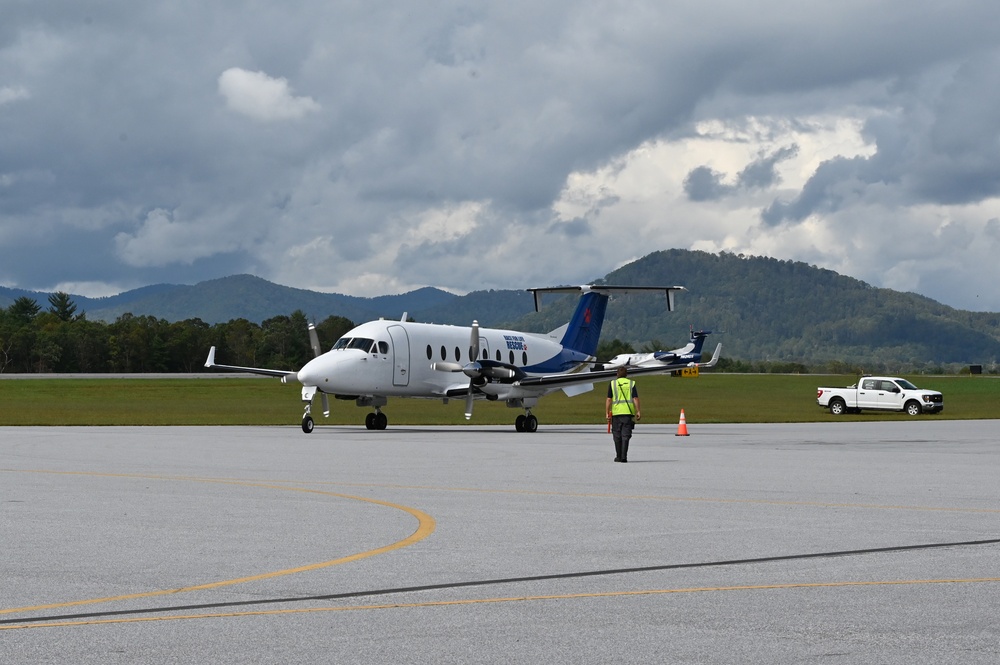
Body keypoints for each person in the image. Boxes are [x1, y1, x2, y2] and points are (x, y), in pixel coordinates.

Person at [606, 366, 640, 462]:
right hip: (628, 413)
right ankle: (624, 457)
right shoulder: (631, 383)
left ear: (617, 374)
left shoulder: (613, 384)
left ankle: (618, 456)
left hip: (616, 413)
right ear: (626, 375)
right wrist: (638, 411)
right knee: (626, 435)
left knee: (617, 434)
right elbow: (635, 398)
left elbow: (609, 399)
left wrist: (607, 412)